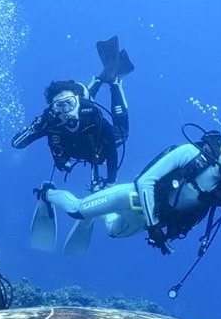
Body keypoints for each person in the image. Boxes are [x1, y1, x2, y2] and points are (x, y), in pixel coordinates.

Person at [38, 126, 221, 255]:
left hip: (144, 222)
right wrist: (153, 227)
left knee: (112, 231)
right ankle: (47, 194)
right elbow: (145, 182)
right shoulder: (190, 153)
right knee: (77, 210)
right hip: (130, 198)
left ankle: (94, 214)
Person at [14, 37, 134, 251]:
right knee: (84, 100)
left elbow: (111, 148)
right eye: (59, 106)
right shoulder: (49, 121)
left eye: (70, 103)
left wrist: (110, 181)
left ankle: (112, 81)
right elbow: (17, 144)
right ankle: (103, 77)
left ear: (77, 103)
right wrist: (36, 127)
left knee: (122, 133)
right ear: (53, 109)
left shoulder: (90, 112)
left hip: (99, 148)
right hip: (73, 152)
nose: (66, 110)